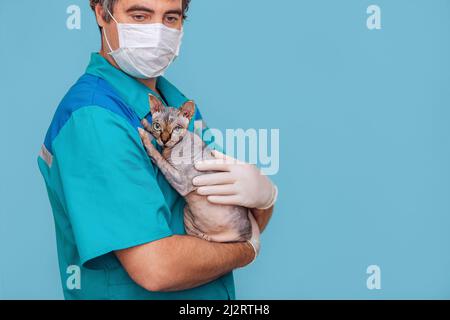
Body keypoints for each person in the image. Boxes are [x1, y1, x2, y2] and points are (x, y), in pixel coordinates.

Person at [37, 0, 276, 300]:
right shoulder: (95, 119)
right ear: (101, 12)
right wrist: (246, 251)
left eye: (171, 17)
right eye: (140, 15)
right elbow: (156, 268)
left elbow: (231, 222)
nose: (156, 31)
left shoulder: (173, 104)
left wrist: (264, 199)